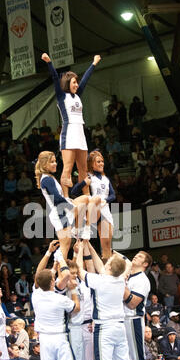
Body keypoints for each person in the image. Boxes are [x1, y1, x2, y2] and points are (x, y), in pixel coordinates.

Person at [76, 241, 146, 360]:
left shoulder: (100, 281)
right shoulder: (120, 280)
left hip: (104, 327)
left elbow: (78, 269)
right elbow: (102, 267)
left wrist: (79, 252)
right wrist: (88, 245)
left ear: (108, 268)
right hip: (119, 326)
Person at [32, 268, 92, 360]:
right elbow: (76, 308)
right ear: (53, 282)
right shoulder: (60, 299)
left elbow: (41, 279)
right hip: (59, 337)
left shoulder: (35, 296)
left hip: (44, 339)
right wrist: (73, 291)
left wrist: (55, 264)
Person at [41, 52, 101, 197]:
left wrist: (94, 63)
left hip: (80, 133)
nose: (77, 84)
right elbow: (55, 78)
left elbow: (85, 80)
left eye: (77, 82)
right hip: (69, 134)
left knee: (83, 170)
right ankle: (66, 198)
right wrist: (49, 62)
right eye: (74, 82)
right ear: (68, 83)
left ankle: (87, 197)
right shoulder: (62, 96)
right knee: (67, 168)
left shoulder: (77, 95)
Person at [115, 250, 153, 360]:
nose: (135, 257)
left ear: (145, 264)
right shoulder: (128, 275)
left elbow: (132, 303)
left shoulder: (142, 280)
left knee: (137, 359)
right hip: (121, 319)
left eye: (139, 257)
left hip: (133, 320)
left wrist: (120, 284)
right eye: (135, 255)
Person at [34, 151, 90, 259]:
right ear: (45, 164)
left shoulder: (48, 177)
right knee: (65, 246)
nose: (55, 164)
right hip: (59, 213)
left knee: (86, 200)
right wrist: (71, 205)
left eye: (55, 161)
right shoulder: (46, 179)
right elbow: (56, 199)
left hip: (62, 210)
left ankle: (77, 232)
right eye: (52, 162)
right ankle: (58, 270)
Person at [71, 151, 116, 260]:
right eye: (98, 161)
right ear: (91, 164)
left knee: (106, 245)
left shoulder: (105, 179)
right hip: (93, 209)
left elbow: (113, 195)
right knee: (95, 199)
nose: (102, 164)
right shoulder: (89, 176)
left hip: (105, 210)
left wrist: (106, 200)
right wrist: (83, 183)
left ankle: (106, 266)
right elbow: (74, 191)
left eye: (102, 161)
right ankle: (85, 227)